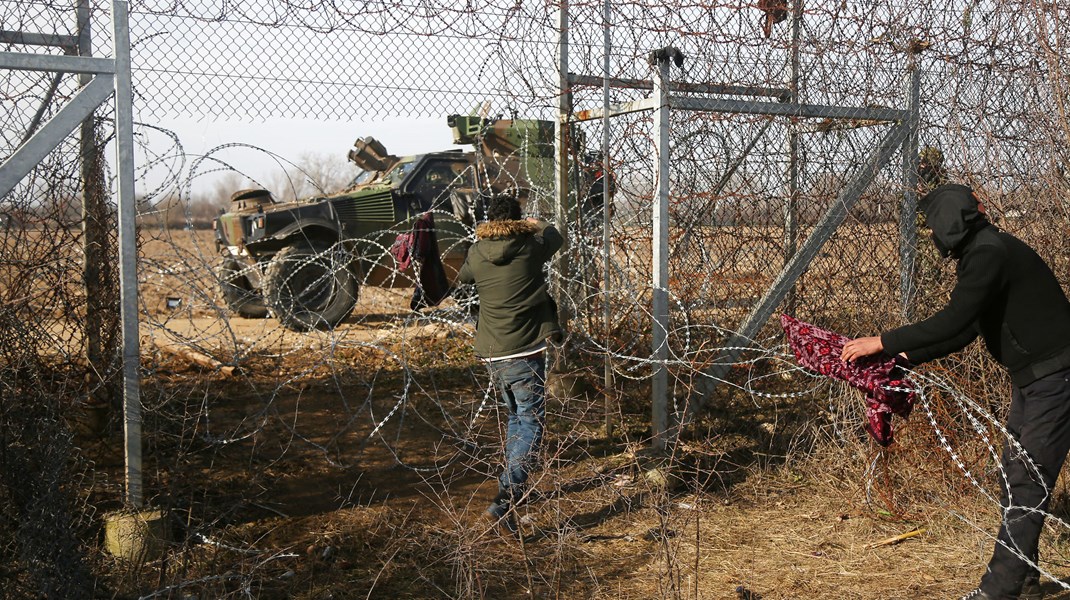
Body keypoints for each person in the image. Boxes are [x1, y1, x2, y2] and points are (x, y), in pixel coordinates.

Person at [841, 149, 1070, 600]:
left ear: (951, 222)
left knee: (1027, 480)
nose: (929, 234)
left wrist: (882, 342)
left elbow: (952, 319)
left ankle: (997, 592)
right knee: (1016, 473)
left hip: (1056, 376)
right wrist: (903, 360)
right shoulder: (983, 252)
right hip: (1037, 376)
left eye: (931, 226)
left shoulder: (989, 255)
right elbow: (963, 331)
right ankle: (1023, 580)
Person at [456, 193, 564, 532]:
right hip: (525, 349)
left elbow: (463, 278)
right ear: (519, 219)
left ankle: (509, 490)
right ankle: (505, 499)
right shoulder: (531, 247)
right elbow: (556, 236)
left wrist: (479, 240)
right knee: (531, 424)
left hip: (493, 352)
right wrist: (534, 223)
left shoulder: (477, 251)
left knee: (518, 419)